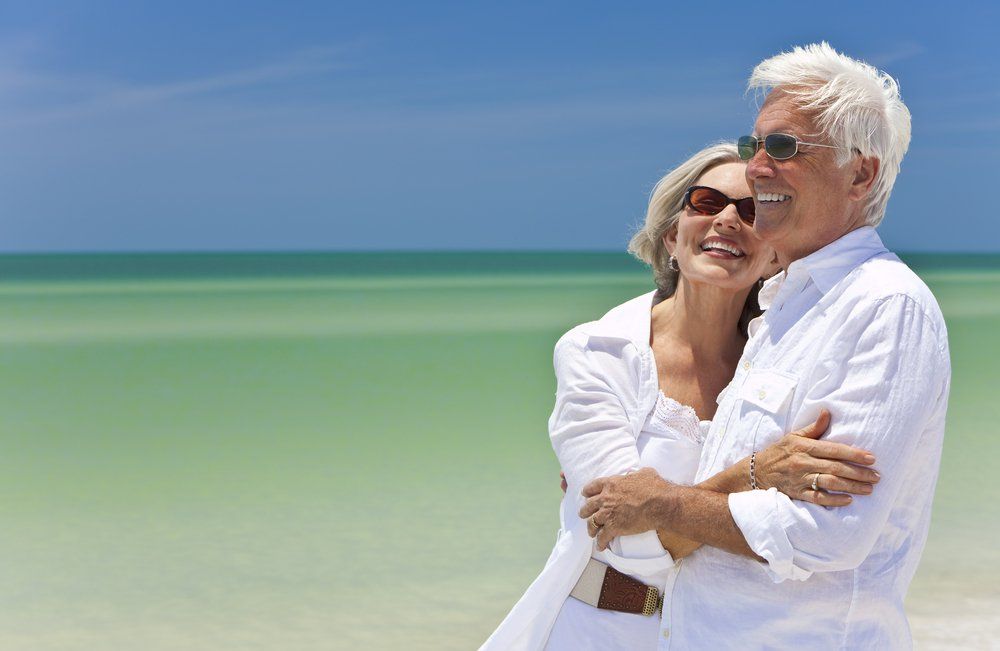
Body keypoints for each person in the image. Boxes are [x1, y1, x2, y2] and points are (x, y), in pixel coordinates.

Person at [579, 42, 950, 648]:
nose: (756, 168)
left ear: (861, 173)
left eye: (784, 148)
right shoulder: (782, 306)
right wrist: (747, 475)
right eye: (755, 146)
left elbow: (826, 534)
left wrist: (661, 504)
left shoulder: (885, 305)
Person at [481, 141, 880, 650]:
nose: (729, 220)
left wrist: (660, 503)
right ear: (672, 235)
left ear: (775, 255)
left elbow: (808, 524)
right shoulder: (597, 352)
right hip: (598, 629)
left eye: (754, 210)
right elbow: (627, 544)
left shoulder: (785, 365)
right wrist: (756, 474)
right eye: (708, 203)